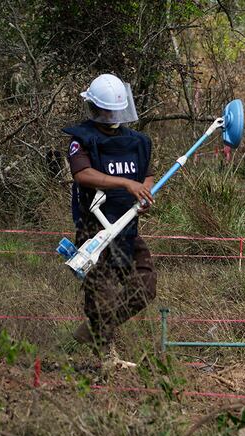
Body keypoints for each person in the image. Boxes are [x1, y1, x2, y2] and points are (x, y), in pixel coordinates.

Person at [63, 73, 157, 365]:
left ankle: (93, 329)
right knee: (100, 293)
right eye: (107, 110)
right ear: (95, 109)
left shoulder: (138, 141)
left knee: (145, 284)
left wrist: (145, 192)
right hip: (96, 231)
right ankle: (107, 357)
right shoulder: (82, 140)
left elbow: (148, 175)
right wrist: (125, 184)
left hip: (128, 226)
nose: (111, 114)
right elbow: (82, 174)